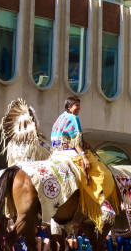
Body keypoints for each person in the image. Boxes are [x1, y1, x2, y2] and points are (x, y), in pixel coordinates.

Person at [50, 96, 120, 231]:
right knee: (99, 170)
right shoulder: (73, 118)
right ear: (69, 107)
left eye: (79, 105)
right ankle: (102, 203)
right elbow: (76, 142)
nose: (79, 108)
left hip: (55, 154)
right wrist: (84, 157)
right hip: (68, 153)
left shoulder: (59, 118)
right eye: (76, 105)